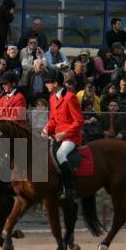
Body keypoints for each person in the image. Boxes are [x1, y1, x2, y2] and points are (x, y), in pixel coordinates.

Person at [41, 71, 84, 199]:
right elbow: (53, 120)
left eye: (48, 82)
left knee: (60, 154)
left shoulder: (70, 97)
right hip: (56, 135)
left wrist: (64, 134)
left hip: (71, 136)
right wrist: (45, 131)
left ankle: (70, 187)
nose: (46, 85)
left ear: (55, 83)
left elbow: (79, 121)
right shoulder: (52, 98)